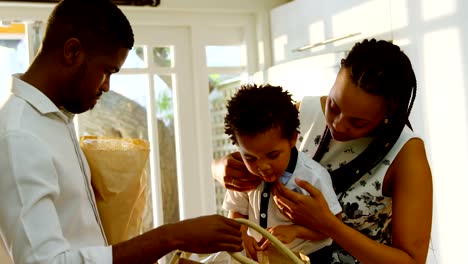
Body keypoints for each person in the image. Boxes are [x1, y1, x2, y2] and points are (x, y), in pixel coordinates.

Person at [0, 0, 242, 263]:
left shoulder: (56, 120)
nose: (106, 87)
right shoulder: (20, 137)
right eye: (106, 71)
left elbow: (81, 239)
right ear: (72, 51)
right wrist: (172, 237)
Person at [212, 39, 433, 264]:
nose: (338, 124)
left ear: (389, 113)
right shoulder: (303, 112)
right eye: (334, 106)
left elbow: (413, 261)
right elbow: (248, 145)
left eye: (358, 122)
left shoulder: (406, 154)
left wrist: (328, 225)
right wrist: (220, 168)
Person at [221, 84, 342, 261]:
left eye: (272, 155)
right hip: (264, 258)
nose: (262, 166)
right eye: (251, 158)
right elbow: (236, 211)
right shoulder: (243, 175)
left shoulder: (312, 176)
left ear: (293, 138)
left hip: (310, 257)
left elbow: (334, 224)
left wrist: (296, 231)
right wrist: (241, 235)